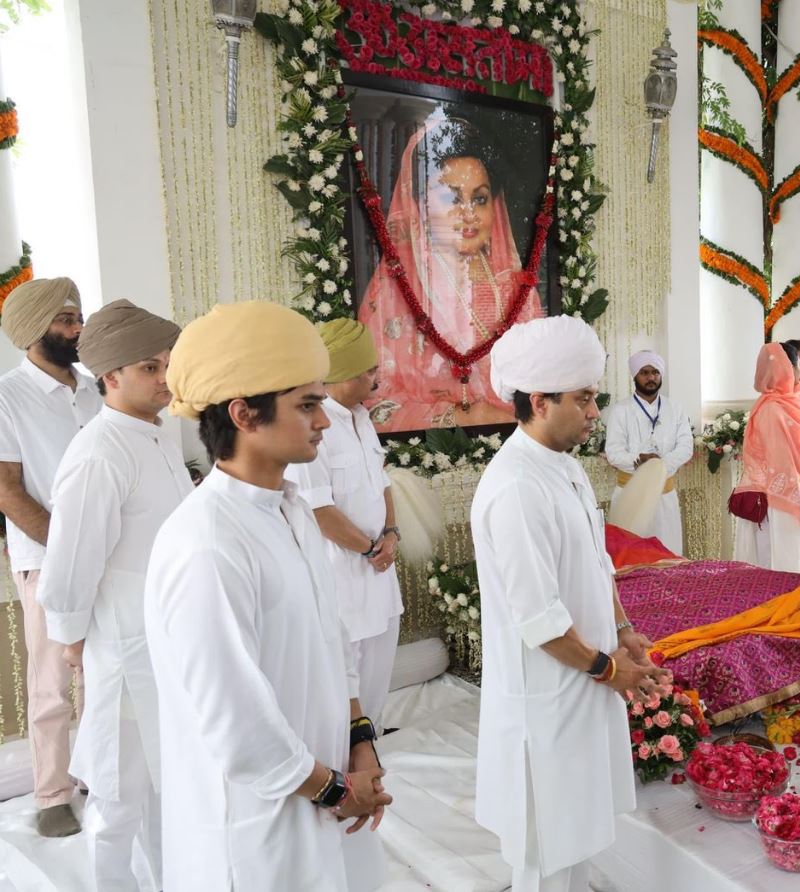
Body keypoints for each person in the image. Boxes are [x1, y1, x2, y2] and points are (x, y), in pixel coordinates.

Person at [145, 302, 391, 891]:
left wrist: (360, 743)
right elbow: (237, 724)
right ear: (243, 414)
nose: (324, 421)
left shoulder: (294, 513)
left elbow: (334, 645)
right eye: (307, 405)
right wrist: (334, 788)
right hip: (255, 828)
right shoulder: (205, 542)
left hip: (321, 792)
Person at [472, 315, 669, 892]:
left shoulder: (565, 468)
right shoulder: (514, 487)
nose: (594, 412)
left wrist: (624, 629)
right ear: (539, 400)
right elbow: (539, 620)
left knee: (577, 832)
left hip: (585, 681)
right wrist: (612, 672)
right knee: (545, 847)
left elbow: (596, 563)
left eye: (594, 397)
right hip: (548, 696)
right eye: (583, 399)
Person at [35, 300, 186, 889]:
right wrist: (73, 642)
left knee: (166, 788)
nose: (165, 378)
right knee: (120, 799)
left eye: (167, 364)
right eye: (151, 367)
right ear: (111, 376)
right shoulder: (99, 452)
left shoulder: (157, 437)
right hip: (124, 651)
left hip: (167, 642)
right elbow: (70, 567)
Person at [358, 111, 545, 431]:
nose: (469, 214)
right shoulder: (392, 292)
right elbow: (371, 403)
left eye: (480, 198)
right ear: (419, 204)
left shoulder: (515, 290)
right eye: (452, 197)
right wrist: (462, 418)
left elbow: (545, 383)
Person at [0, 277, 100, 837]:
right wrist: (68, 548)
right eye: (64, 320)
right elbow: (8, 490)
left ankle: (95, 773)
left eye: (76, 317)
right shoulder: (6, 396)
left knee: (101, 673)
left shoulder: (94, 389)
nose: (76, 328)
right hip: (45, 558)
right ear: (33, 329)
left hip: (106, 556)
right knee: (51, 681)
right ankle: (52, 793)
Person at [286, 319, 404, 732]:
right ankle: (347, 740)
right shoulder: (315, 427)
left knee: (381, 649)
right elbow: (319, 511)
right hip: (344, 571)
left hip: (379, 566)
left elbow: (383, 481)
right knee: (346, 659)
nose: (375, 379)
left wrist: (390, 535)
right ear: (342, 374)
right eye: (368, 371)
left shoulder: (361, 418)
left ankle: (371, 731)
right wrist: (369, 548)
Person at [730, 343, 800, 572]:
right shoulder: (772, 409)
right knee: (779, 565)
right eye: (799, 363)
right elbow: (781, 461)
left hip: (791, 492)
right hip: (777, 500)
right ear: (787, 368)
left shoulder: (790, 401)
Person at [603, 350, 694, 555]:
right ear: (635, 375)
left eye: (655, 372)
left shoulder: (675, 408)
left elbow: (686, 446)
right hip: (630, 495)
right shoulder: (620, 411)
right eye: (644, 372)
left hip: (664, 496)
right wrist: (637, 461)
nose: (651, 377)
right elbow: (613, 452)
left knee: (667, 554)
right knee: (630, 556)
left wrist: (659, 466)